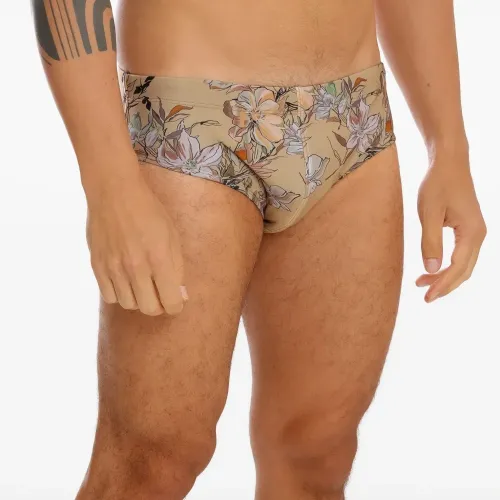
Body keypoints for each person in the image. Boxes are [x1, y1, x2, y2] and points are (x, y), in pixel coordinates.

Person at [31, 1, 486, 499]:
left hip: (354, 114)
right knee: (153, 459)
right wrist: (110, 184)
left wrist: (448, 146)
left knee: (317, 450)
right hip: (189, 114)